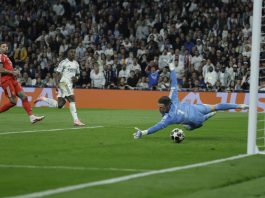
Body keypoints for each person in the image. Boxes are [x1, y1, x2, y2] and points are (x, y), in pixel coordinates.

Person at [133, 61, 249, 139]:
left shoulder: (169, 117)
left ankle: (209, 116)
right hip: (196, 107)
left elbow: (157, 127)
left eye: (161, 107)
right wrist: (172, 69)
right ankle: (241, 106)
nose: (159, 109)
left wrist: (143, 133)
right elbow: (174, 82)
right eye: (159, 107)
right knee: (216, 106)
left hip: (196, 119)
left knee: (189, 127)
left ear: (167, 106)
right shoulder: (173, 99)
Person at [34, 47, 85, 126]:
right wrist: (57, 84)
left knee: (60, 105)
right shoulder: (63, 62)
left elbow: (78, 74)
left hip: (70, 85)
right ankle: (76, 120)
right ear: (68, 53)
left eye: (74, 52)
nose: (73, 53)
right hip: (63, 83)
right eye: (71, 52)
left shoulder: (76, 64)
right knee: (72, 99)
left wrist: (76, 78)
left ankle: (42, 98)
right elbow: (57, 74)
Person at [0, 42, 44, 123]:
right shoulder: (0, 56)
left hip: (13, 79)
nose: (5, 48)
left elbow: (8, 69)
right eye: (3, 47)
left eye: (6, 46)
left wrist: (15, 72)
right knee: (13, 102)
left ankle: (32, 117)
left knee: (24, 97)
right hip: (6, 81)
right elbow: (1, 70)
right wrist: (12, 72)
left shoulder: (6, 57)